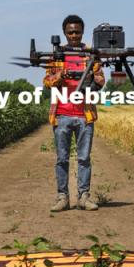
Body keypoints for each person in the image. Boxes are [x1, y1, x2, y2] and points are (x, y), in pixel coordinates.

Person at [43, 15, 105, 212]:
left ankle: (83, 197)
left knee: (84, 158)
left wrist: (91, 80)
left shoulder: (91, 55)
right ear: (64, 33)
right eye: (70, 32)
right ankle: (63, 197)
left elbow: (101, 80)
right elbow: (46, 81)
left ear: (82, 32)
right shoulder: (56, 55)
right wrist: (59, 77)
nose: (74, 35)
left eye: (77, 32)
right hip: (61, 114)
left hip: (84, 114)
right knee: (62, 158)